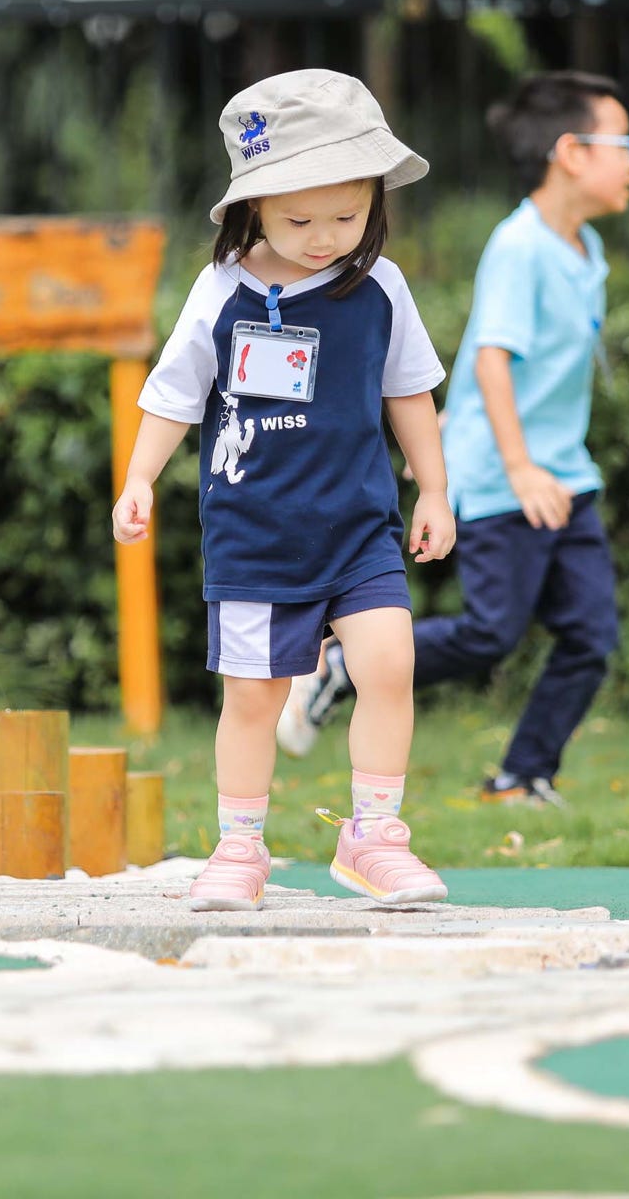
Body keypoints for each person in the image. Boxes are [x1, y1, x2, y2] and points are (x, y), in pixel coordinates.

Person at [112, 69, 456, 911]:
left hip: (359, 530)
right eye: (301, 219)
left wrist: (435, 492)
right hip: (255, 535)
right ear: (252, 208)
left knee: (389, 663)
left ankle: (374, 836)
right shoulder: (225, 290)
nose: (325, 236)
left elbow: (408, 392)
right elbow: (172, 392)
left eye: (348, 216)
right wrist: (139, 479)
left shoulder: (381, 289)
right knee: (255, 697)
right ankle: (240, 848)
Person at [277, 71, 629, 809]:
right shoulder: (519, 246)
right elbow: (492, 357)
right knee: (489, 633)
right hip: (507, 478)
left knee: (591, 636)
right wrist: (516, 463)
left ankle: (520, 777)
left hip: (566, 474)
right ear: (571, 152)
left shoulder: (585, 250)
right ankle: (341, 666)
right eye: (621, 142)